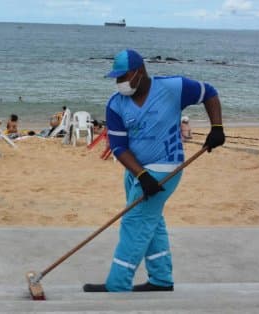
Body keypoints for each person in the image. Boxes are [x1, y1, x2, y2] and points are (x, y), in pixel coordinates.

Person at [83, 49, 225, 293]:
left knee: (134, 222)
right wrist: (141, 175)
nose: (120, 83)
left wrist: (217, 127)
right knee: (152, 221)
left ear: (140, 72)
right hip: (136, 171)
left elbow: (209, 93)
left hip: (166, 166)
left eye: (123, 76)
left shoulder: (173, 88)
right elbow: (118, 147)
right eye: (116, 78)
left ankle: (117, 284)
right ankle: (161, 279)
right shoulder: (116, 104)